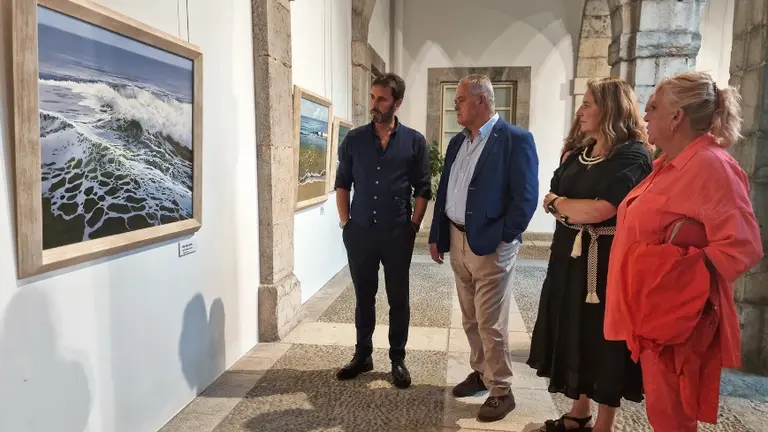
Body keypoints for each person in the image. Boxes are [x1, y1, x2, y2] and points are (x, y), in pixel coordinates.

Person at [605, 71, 763, 431]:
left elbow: (743, 246)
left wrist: (671, 269)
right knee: (663, 410)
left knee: (672, 417)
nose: (645, 116)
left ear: (677, 118)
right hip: (653, 312)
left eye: (653, 108)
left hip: (675, 315)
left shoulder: (712, 166)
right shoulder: (668, 163)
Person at [526, 77, 652, 432]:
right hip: (568, 255)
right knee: (570, 327)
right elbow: (551, 193)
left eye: (588, 104)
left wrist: (561, 206)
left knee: (604, 337)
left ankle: (604, 424)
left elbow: (602, 210)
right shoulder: (580, 151)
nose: (580, 111)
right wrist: (566, 206)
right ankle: (578, 412)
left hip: (607, 260)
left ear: (610, 108)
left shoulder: (634, 154)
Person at [428, 74, 539, 422]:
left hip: (491, 242)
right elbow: (445, 189)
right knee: (470, 317)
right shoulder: (457, 142)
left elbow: (526, 197)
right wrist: (438, 234)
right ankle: (480, 371)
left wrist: (506, 236)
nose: (456, 105)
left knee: (491, 321)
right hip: (457, 236)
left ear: (481, 101)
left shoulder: (515, 140)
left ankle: (502, 390)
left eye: (461, 99)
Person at [333, 73, 431, 389]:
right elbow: (342, 183)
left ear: (397, 102)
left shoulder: (414, 141)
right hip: (360, 232)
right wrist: (346, 224)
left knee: (398, 298)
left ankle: (397, 358)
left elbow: (423, 188)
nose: (374, 104)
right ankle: (363, 355)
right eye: (373, 97)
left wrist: (413, 226)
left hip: (397, 233)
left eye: (382, 99)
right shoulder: (355, 139)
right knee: (364, 296)